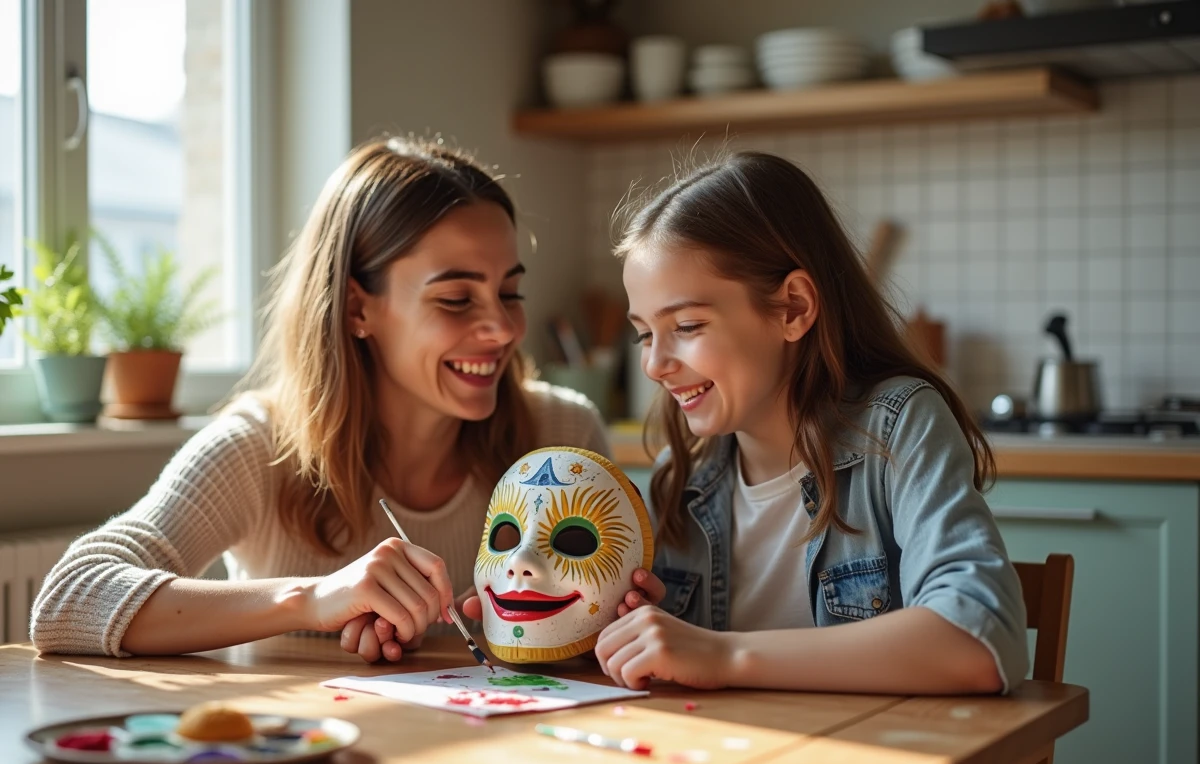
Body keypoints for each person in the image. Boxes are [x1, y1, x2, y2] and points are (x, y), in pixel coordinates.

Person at [31, 136, 656, 663]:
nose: (502, 329)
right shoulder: (257, 447)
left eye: (511, 293)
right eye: (457, 299)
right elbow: (68, 599)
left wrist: (616, 621)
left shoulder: (560, 431)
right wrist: (318, 600)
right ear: (360, 308)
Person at [598, 150, 1028, 703]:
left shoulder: (898, 426)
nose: (655, 365)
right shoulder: (681, 474)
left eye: (686, 325)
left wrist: (723, 654)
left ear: (793, 308)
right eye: (643, 334)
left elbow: (980, 641)